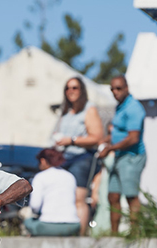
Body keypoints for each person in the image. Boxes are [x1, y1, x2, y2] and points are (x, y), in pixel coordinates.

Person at [52, 76, 104, 235]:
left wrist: (72, 141)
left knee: (78, 199)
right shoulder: (67, 111)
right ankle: (66, 233)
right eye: (68, 88)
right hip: (65, 158)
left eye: (75, 88)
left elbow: (97, 137)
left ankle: (80, 236)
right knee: (63, 198)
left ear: (82, 90)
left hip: (82, 158)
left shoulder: (89, 109)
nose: (71, 91)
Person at [99, 75, 146, 234]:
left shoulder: (133, 108)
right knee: (112, 195)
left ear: (127, 88)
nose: (115, 92)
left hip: (131, 157)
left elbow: (133, 138)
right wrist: (105, 142)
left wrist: (110, 148)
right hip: (119, 157)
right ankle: (114, 234)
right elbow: (118, 132)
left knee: (131, 195)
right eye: (112, 89)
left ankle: (134, 233)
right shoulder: (120, 106)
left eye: (119, 88)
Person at [23, 148, 80, 237]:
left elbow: (35, 206)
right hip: (73, 225)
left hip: (48, 225)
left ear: (43, 161)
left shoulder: (40, 177)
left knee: (27, 220)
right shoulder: (70, 176)